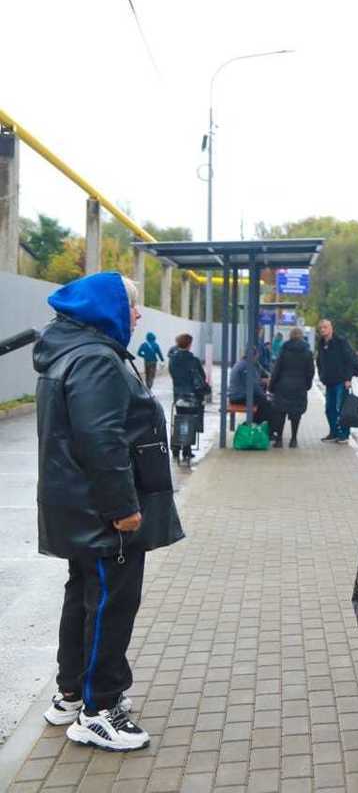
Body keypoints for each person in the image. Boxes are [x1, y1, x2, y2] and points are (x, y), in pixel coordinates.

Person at [33, 272, 184, 751]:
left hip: (78, 508)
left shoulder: (70, 352)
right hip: (103, 514)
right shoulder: (97, 359)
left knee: (83, 600)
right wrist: (123, 508)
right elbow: (102, 440)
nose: (137, 315)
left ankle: (72, 694)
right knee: (110, 606)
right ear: (110, 309)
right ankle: (100, 710)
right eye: (132, 306)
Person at [315, 318, 358, 444]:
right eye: (321, 328)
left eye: (325, 327)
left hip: (341, 381)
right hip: (329, 382)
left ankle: (344, 434)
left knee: (341, 409)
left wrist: (348, 379)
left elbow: (350, 360)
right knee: (329, 409)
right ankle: (334, 432)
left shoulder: (341, 342)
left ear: (331, 328)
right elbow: (319, 361)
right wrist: (321, 376)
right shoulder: (321, 344)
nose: (323, 330)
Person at [229, 347, 286, 447]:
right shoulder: (246, 367)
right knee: (270, 406)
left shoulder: (245, 364)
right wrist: (265, 396)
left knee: (264, 404)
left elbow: (253, 382)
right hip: (239, 396)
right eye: (257, 356)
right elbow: (253, 386)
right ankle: (268, 432)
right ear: (254, 356)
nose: (257, 359)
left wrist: (263, 389)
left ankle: (258, 426)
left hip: (239, 395)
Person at [269, 327, 315, 448]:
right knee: (296, 414)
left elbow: (276, 370)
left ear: (290, 336)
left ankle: (279, 440)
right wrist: (307, 385)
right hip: (299, 387)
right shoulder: (307, 352)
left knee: (280, 413)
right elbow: (311, 372)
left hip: (283, 386)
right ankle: (293, 439)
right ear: (301, 337)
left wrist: (271, 386)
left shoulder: (284, 350)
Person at [167, 334, 210, 461]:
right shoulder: (193, 360)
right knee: (190, 422)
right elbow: (201, 378)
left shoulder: (173, 360)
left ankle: (175, 448)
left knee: (179, 420)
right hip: (192, 397)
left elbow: (173, 375)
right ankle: (187, 450)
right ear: (189, 344)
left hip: (178, 396)